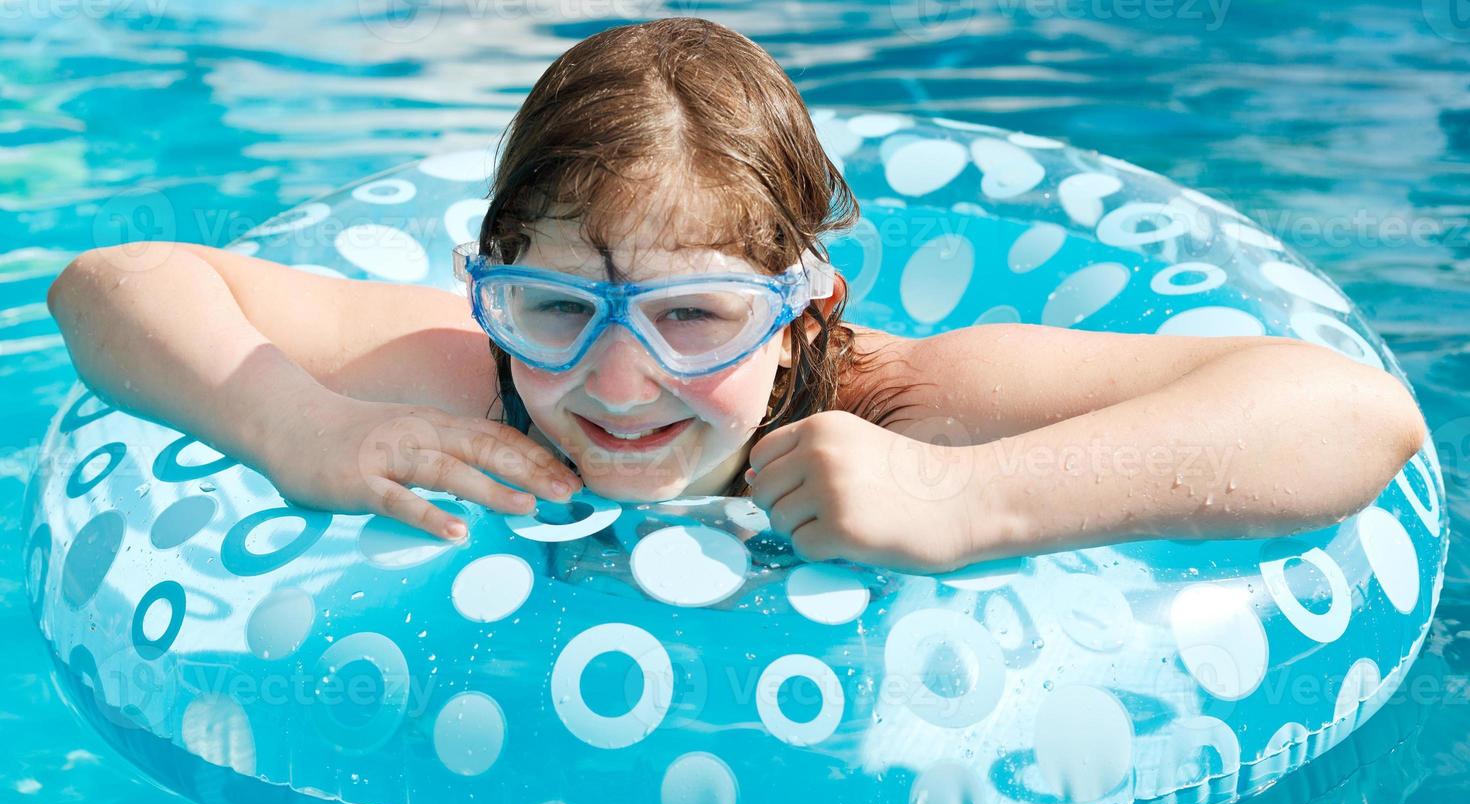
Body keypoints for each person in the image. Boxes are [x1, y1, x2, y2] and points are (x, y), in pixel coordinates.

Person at [46, 18, 1427, 575]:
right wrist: (301, 427)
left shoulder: (910, 402)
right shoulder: (462, 387)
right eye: (550, 309)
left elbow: (1350, 414)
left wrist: (973, 503)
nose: (616, 381)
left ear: (802, 306)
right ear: (488, 292)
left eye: (694, 316)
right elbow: (112, 283)